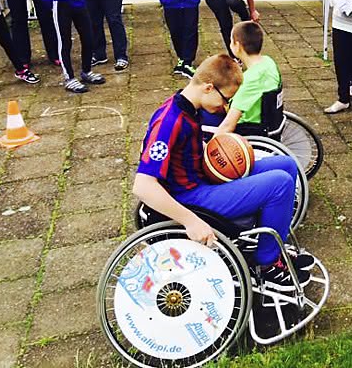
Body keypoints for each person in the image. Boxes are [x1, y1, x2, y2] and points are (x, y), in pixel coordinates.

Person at [133, 54, 313, 291]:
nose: (225, 107)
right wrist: (191, 221)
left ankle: (270, 239)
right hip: (191, 197)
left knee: (286, 165)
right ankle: (268, 266)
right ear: (208, 87)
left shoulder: (191, 106)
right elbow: (143, 186)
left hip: (202, 178)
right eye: (225, 99)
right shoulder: (170, 121)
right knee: (280, 184)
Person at [216, 21, 280, 135]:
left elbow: (228, 125)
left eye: (231, 41)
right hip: (267, 119)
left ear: (238, 46)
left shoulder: (250, 80)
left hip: (248, 127)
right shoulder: (268, 62)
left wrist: (209, 149)